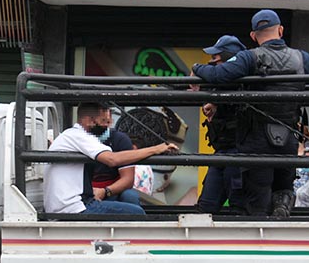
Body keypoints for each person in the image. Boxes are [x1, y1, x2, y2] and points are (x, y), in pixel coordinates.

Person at [192, 9, 309, 217]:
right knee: (282, 187)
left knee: (257, 198)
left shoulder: (249, 57)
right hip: (288, 136)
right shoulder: (302, 58)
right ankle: (281, 206)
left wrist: (197, 68)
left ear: (253, 36)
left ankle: (261, 230)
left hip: (256, 140)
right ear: (281, 30)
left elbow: (219, 74)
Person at [43, 103, 177, 215]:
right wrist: (156, 149)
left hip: (74, 203)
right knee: (136, 213)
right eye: (102, 121)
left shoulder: (74, 135)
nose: (107, 126)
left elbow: (127, 179)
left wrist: (104, 192)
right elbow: (112, 159)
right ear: (89, 120)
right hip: (73, 207)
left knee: (130, 199)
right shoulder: (79, 136)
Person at [195, 34, 247, 213]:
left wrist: (197, 68)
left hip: (241, 153)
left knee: (239, 208)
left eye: (215, 58)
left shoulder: (243, 80)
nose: (211, 62)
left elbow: (222, 79)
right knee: (205, 207)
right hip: (221, 152)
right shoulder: (216, 80)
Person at [91, 109, 141, 207]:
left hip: (113, 190)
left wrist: (105, 191)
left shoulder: (121, 139)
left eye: (106, 120)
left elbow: (128, 179)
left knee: (130, 197)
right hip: (84, 191)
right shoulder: (77, 138)